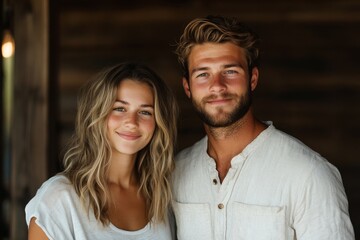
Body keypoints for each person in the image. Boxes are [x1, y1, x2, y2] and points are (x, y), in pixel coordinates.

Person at [171, 15, 355, 239]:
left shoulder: (309, 174)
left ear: (253, 79)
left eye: (230, 71)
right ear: (187, 87)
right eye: (203, 74)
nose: (217, 86)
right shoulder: (175, 172)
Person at [25, 62, 178, 239]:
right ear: (98, 114)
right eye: (119, 109)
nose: (131, 122)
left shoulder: (161, 195)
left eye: (145, 112)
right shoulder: (59, 199)